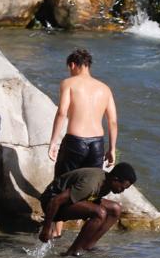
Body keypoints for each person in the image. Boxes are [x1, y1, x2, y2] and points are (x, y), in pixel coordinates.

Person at [47, 48, 118, 238]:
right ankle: (89, 229)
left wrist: (53, 142)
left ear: (72, 65)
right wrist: (111, 149)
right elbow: (112, 121)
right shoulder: (104, 88)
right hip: (97, 143)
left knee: (62, 185)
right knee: (92, 188)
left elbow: (62, 112)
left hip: (75, 142)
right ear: (88, 65)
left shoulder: (68, 83)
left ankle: (56, 230)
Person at [38, 163, 137, 256]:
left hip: (70, 201)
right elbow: (56, 201)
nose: (122, 191)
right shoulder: (89, 185)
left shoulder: (106, 183)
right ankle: (72, 252)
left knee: (116, 209)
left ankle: (87, 246)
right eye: (122, 188)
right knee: (99, 213)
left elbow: (91, 199)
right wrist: (46, 229)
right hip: (51, 203)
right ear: (115, 179)